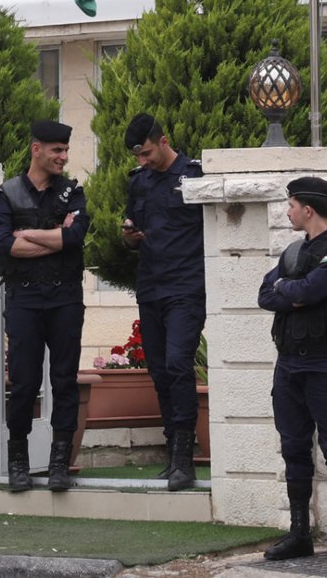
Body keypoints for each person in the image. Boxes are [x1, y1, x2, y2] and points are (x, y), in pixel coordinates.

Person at [257, 177, 327, 567]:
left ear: (308, 210)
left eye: (291, 204)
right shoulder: (292, 251)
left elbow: (309, 291)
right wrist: (293, 290)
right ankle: (299, 533)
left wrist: (292, 290)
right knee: (293, 449)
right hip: (288, 365)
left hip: (324, 364)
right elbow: (265, 295)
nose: (288, 211)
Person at [0, 120, 90, 493]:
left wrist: (27, 233)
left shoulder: (72, 193)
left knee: (64, 381)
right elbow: (4, 244)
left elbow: (75, 236)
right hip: (25, 300)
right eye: (56, 151)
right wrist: (54, 237)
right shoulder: (8, 194)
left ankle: (60, 464)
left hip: (65, 297)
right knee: (25, 381)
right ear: (37, 150)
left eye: (65, 150)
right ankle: (19, 464)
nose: (64, 157)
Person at [120, 113, 205, 491]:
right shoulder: (139, 183)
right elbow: (131, 233)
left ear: (164, 140)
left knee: (177, 364)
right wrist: (129, 237)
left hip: (187, 287)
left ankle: (185, 455)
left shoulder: (195, 176)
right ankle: (172, 452)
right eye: (138, 156)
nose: (143, 161)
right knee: (158, 370)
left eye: (148, 153)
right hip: (151, 287)